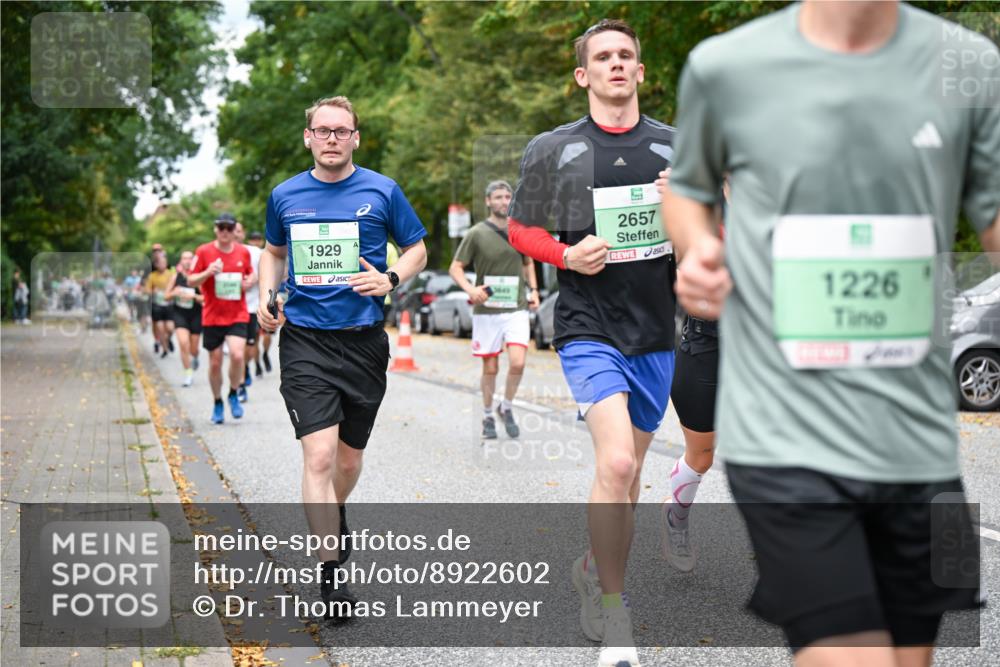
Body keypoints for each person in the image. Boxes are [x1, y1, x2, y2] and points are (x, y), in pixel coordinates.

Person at [665, 2, 998, 664]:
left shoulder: (969, 64)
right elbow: (686, 188)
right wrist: (698, 245)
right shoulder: (727, 66)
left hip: (918, 445)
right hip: (784, 437)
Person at [507, 20, 677, 667]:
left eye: (625, 55)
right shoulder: (553, 148)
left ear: (640, 70)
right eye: (602, 56)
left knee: (627, 479)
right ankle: (615, 612)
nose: (615, 63)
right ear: (583, 75)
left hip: (656, 330)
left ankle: (589, 567)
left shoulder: (676, 147)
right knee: (618, 464)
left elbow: (711, 235)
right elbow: (521, 229)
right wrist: (565, 255)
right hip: (587, 325)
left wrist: (685, 209)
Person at [256, 95, 428, 622]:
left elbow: (418, 249)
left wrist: (391, 278)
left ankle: (335, 509)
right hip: (305, 342)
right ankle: (330, 575)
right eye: (323, 130)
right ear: (308, 137)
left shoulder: (382, 191)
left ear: (356, 138)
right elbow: (273, 253)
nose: (332, 138)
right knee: (319, 457)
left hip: (364, 342)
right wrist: (267, 297)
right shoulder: (285, 195)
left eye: (341, 131)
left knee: (347, 462)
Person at [449, 180, 540, 439]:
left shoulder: (519, 230)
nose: (503, 201)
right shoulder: (476, 233)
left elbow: (528, 263)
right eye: (498, 197)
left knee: (518, 362)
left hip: (516, 307)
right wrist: (470, 290)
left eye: (507, 197)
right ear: (488, 201)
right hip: (487, 309)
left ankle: (506, 406)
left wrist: (534, 290)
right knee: (490, 369)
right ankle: (488, 414)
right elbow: (455, 268)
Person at [188, 214, 255, 424]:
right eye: (221, 227)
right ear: (215, 229)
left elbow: (251, 275)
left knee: (237, 355)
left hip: (237, 314)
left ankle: (233, 393)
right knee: (215, 363)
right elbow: (190, 280)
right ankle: (217, 401)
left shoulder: (243, 252)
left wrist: (249, 282)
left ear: (235, 230)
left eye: (229, 228)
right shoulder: (203, 251)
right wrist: (208, 272)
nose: (225, 231)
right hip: (213, 316)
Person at [166, 250, 205, 387]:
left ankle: (195, 356)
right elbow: (166, 296)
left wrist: (194, 296)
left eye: (190, 258)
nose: (187, 261)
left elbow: (206, 298)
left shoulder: (198, 278)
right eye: (185, 258)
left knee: (194, 349)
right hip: (180, 314)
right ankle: (188, 374)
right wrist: (174, 293)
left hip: (196, 315)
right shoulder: (175, 277)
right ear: (181, 261)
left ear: (193, 261)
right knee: (183, 344)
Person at [235, 222, 264, 401]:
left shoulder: (255, 252)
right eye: (231, 230)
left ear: (242, 233)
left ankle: (245, 368)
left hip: (251, 307)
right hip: (229, 309)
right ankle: (239, 385)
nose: (234, 233)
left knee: (249, 347)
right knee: (236, 350)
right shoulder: (218, 253)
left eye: (238, 230)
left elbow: (270, 271)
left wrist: (255, 278)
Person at [146, 251, 175, 358]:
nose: (163, 265)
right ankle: (165, 349)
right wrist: (153, 291)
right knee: (160, 329)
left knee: (170, 328)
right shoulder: (152, 276)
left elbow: (176, 287)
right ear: (156, 264)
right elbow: (147, 290)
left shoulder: (171, 274)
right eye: (160, 263)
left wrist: (170, 292)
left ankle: (168, 339)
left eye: (164, 263)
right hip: (157, 305)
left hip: (169, 305)